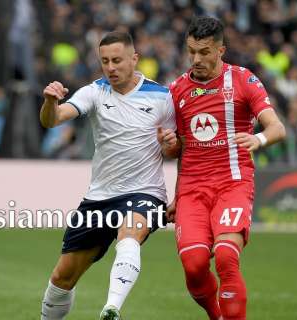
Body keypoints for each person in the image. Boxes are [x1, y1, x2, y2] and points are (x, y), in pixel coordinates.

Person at [39, 31, 175, 320]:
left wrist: (171, 146)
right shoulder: (94, 92)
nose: (110, 67)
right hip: (100, 197)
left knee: (130, 233)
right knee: (63, 278)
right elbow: (52, 120)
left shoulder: (163, 97)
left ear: (134, 58)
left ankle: (111, 308)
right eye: (104, 61)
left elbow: (180, 150)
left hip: (145, 192)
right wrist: (50, 102)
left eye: (117, 60)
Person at [159, 16, 286, 320]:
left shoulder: (243, 80)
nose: (195, 59)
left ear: (220, 50)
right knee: (194, 265)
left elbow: (277, 128)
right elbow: (179, 149)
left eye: (203, 52)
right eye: (191, 51)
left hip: (233, 183)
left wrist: (258, 138)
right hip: (192, 190)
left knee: (227, 257)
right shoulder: (176, 90)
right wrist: (169, 146)